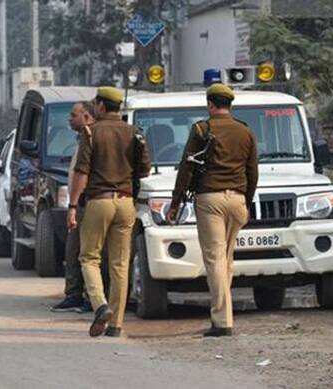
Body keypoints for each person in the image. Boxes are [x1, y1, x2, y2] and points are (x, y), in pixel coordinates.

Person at [166, 83, 258, 337]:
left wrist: (175, 203)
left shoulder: (201, 129)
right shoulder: (245, 131)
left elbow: (186, 169)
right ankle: (224, 312)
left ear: (210, 104)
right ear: (229, 104)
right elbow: (253, 172)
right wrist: (246, 203)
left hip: (211, 200)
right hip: (238, 200)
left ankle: (222, 322)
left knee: (215, 259)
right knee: (226, 260)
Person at [68, 87, 151, 337]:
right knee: (120, 264)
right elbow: (145, 170)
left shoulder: (91, 133)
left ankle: (100, 304)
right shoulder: (134, 133)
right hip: (126, 203)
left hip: (99, 202)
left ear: (102, 107)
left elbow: (81, 172)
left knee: (89, 258)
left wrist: (72, 206)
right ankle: (116, 325)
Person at [51, 101, 96, 313]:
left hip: (87, 202)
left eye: (74, 115)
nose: (70, 119)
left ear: (87, 116)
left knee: (88, 253)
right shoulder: (82, 138)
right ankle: (74, 294)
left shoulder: (93, 137)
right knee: (73, 249)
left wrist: (74, 204)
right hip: (79, 203)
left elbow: (83, 174)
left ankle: (90, 296)